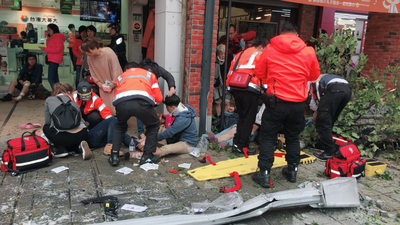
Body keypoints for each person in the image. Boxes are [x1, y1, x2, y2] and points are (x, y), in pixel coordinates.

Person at [253, 22, 320, 188]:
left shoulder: (269, 49)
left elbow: (260, 73)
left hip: (276, 102)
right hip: (298, 103)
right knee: (292, 137)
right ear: (296, 34)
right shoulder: (308, 51)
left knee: (268, 137)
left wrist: (273, 80)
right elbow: (314, 75)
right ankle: (292, 171)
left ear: (280, 33)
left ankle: (265, 174)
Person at [109, 61, 163, 166]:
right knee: (153, 124)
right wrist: (150, 106)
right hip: (142, 103)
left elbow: (119, 92)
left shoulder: (122, 76)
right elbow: (158, 98)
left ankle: (114, 156)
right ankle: (147, 156)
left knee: (120, 126)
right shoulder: (149, 75)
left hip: (121, 103)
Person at [71, 81, 139, 156]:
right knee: (114, 123)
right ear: (77, 93)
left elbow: (106, 114)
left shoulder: (95, 98)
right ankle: (111, 145)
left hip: (86, 136)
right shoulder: (71, 98)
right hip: (81, 132)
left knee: (114, 130)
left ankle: (137, 145)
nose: (85, 99)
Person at [226, 37, 268, 156]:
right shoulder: (259, 55)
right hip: (250, 90)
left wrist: (230, 88)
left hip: (236, 88)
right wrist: (267, 89)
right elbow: (263, 74)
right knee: (248, 120)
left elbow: (230, 72)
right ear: (260, 46)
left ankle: (236, 144)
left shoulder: (239, 54)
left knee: (242, 117)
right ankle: (242, 146)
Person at [308, 74, 352, 160]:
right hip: (347, 89)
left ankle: (329, 152)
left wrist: (315, 118)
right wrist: (315, 117)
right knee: (330, 120)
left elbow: (312, 103)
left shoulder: (307, 85)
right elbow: (321, 109)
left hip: (334, 89)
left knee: (322, 123)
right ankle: (326, 144)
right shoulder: (317, 80)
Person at [43, 83, 91, 159]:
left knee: (45, 127)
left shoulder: (49, 100)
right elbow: (81, 120)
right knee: (75, 130)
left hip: (63, 137)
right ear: (68, 92)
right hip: (81, 134)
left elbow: (48, 122)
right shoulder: (73, 103)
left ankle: (61, 149)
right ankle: (78, 148)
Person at [81, 36, 123, 115]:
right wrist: (101, 85)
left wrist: (113, 84)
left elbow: (116, 70)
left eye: (88, 51)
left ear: (95, 48)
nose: (87, 53)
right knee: (106, 110)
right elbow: (93, 73)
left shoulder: (108, 52)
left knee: (117, 110)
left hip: (116, 86)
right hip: (103, 87)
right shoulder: (90, 57)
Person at [136, 58, 176, 139]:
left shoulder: (156, 68)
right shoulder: (139, 70)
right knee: (139, 110)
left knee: (149, 111)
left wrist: (171, 88)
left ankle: (148, 132)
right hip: (140, 91)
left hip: (152, 93)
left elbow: (168, 76)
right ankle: (141, 133)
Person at [39, 24, 65, 89]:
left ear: (53, 30)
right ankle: (59, 91)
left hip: (55, 59)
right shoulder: (53, 38)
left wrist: (44, 49)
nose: (48, 32)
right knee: (55, 77)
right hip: (52, 59)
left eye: (49, 30)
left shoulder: (58, 38)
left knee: (50, 78)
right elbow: (50, 46)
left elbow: (58, 50)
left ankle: (56, 91)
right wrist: (48, 39)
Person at [213, 44, 232, 117]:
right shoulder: (215, 61)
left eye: (224, 53)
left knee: (227, 102)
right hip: (217, 86)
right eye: (221, 54)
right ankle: (219, 119)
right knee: (218, 102)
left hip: (227, 84)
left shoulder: (230, 60)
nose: (223, 55)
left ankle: (226, 118)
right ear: (218, 53)